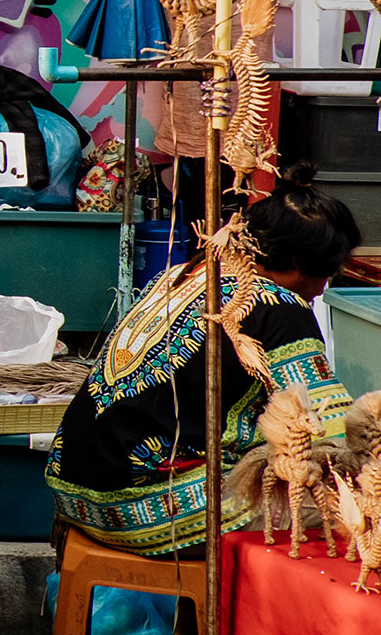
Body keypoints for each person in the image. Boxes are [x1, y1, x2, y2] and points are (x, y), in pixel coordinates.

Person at [48, 167, 360, 556]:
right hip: (142, 504)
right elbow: (331, 427)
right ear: (298, 261)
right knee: (345, 510)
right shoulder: (278, 305)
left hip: (74, 490)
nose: (321, 289)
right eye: (327, 273)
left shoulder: (182, 274)